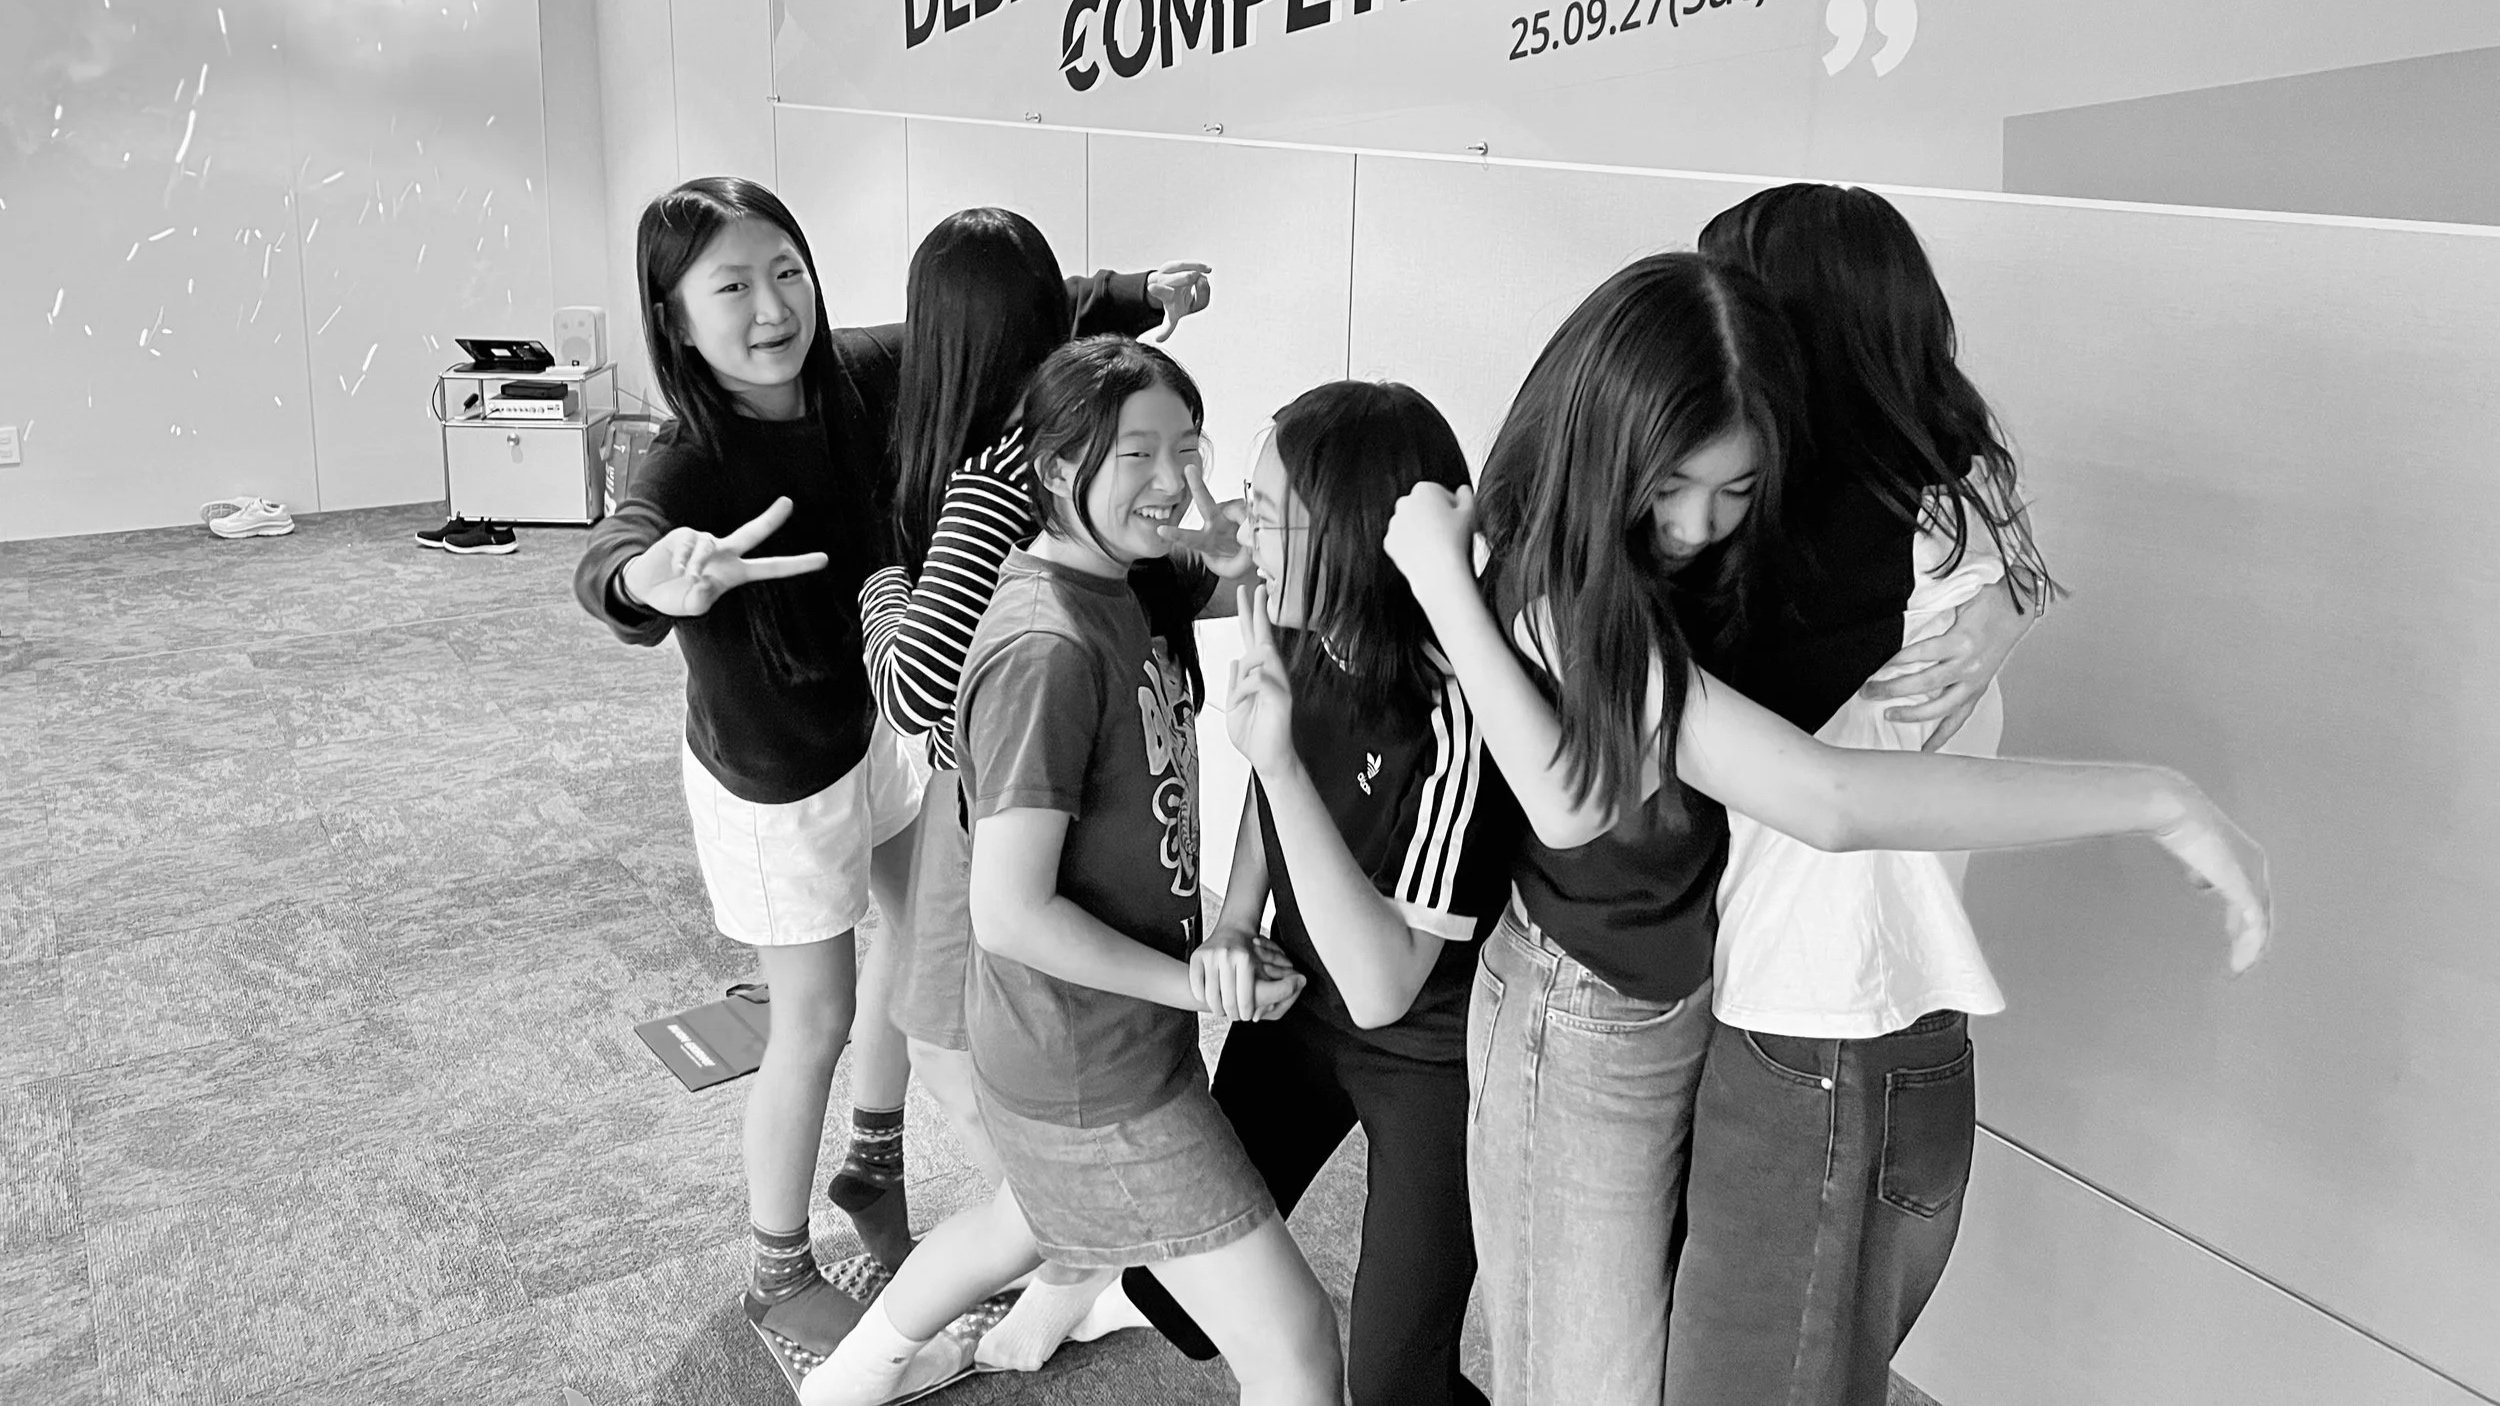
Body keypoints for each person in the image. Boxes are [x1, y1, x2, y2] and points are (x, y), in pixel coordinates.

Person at [1380, 251, 2271, 1406]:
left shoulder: (1742, 539)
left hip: (1701, 992)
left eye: (1736, 488)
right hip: (1581, 1012)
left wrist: (2007, 597)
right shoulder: (1557, 566)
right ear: (1610, 444)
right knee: (1583, 1385)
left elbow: (1948, 485)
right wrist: (2155, 797)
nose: (1697, 523)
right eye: (1671, 486)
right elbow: (1670, 798)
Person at [571, 176, 1208, 1384]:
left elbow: (988, 316)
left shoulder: (855, 372)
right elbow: (619, 546)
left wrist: (1134, 293)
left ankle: (872, 1164)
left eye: (787, 272)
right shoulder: (689, 459)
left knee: (920, 956)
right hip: (774, 774)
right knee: (810, 1016)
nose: (772, 308)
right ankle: (777, 1268)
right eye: (731, 286)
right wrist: (646, 579)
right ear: (674, 318)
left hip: (874, 733)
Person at [803, 337, 1342, 1406]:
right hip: (1092, 1066)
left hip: (1079, 1040)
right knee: (1297, 1346)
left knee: (1025, 1220)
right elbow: (1009, 911)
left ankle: (851, 1379)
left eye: (1187, 449)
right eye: (1136, 453)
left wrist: (1243, 555)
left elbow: (1231, 581)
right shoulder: (1047, 647)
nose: (1173, 481)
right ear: (1055, 467)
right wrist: (1196, 984)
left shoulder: (1120, 585)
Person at [1655, 181, 2064, 1405]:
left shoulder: (1820, 552)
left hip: (1813, 1050)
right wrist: (2018, 594)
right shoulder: (1954, 512)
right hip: (1904, 1047)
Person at [857, 207, 1218, 1370]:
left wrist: (875, 588)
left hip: (996, 801)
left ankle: (1064, 1269)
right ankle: (1070, 1266)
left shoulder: (989, 473)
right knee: (983, 1058)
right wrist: (1135, 289)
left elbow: (911, 689)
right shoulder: (1048, 445)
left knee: (965, 1064)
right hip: (1034, 794)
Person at [1120, 381, 1524, 1406]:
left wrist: (1281, 760)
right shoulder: (1302, 628)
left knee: (1392, 1386)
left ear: (1346, 538)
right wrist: (1231, 922)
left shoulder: (1456, 710)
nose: (1240, 532)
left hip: (1424, 1050)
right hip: (1302, 999)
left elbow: (1385, 987)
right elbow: (1270, 795)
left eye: (1264, 512)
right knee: (1177, 1282)